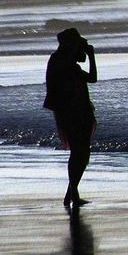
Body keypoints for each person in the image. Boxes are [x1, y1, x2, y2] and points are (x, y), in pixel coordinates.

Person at [44, 27, 98, 208]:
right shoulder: (62, 62)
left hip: (78, 110)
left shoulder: (61, 60)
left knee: (82, 153)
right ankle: (72, 194)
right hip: (71, 111)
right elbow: (92, 77)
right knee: (78, 152)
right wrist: (90, 55)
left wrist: (85, 53)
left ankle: (71, 194)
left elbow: (89, 77)